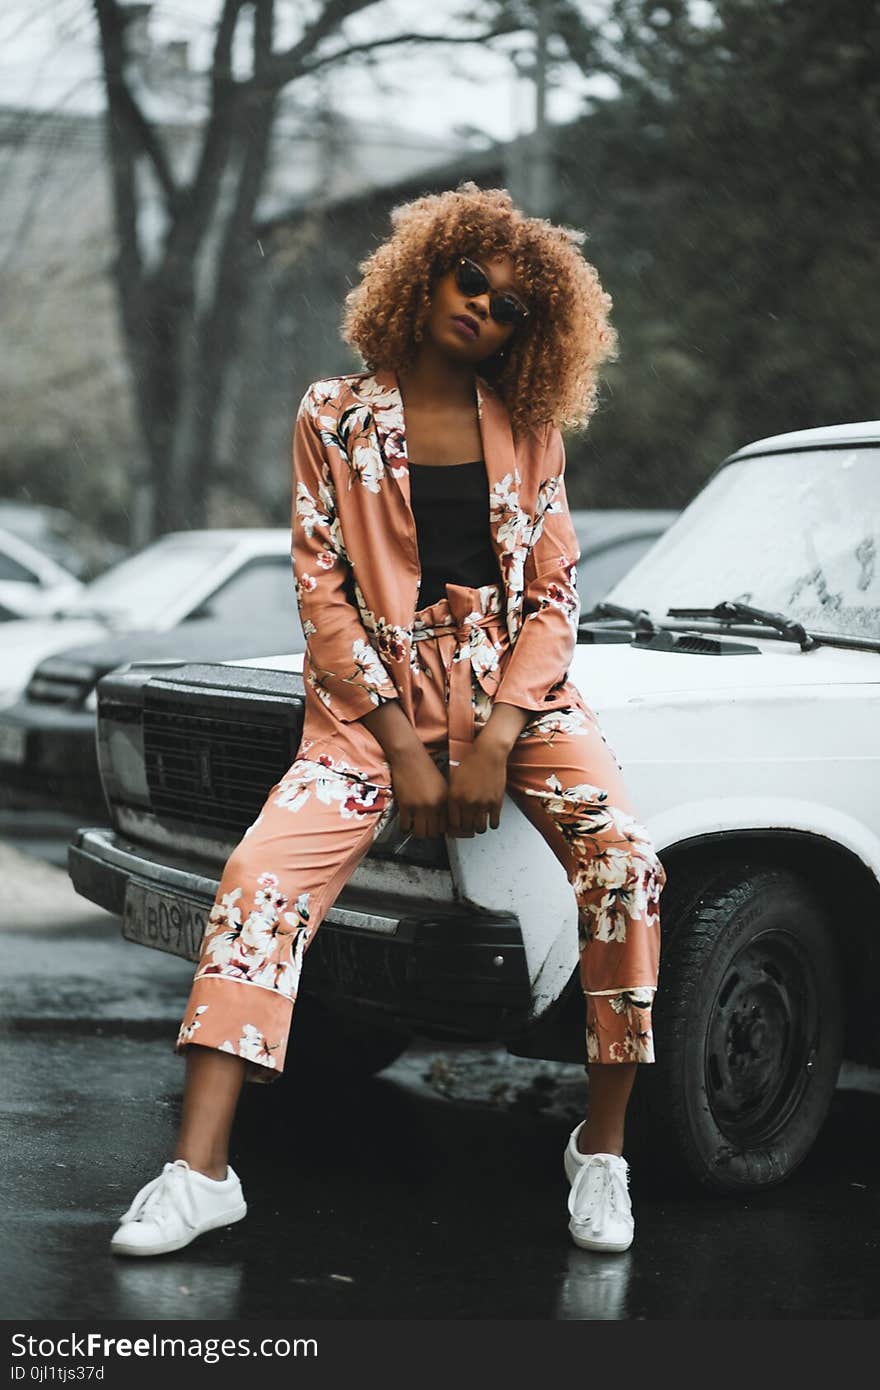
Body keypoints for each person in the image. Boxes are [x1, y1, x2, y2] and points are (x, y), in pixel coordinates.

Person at [110, 182, 666, 1260]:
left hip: (519, 699)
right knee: (258, 882)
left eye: (509, 306)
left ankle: (600, 1152)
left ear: (532, 328)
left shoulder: (532, 429)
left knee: (627, 867)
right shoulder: (332, 414)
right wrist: (406, 749)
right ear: (423, 275)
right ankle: (199, 1173)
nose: (483, 309)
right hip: (370, 712)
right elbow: (322, 591)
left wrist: (499, 734)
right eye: (471, 281)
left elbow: (553, 598)